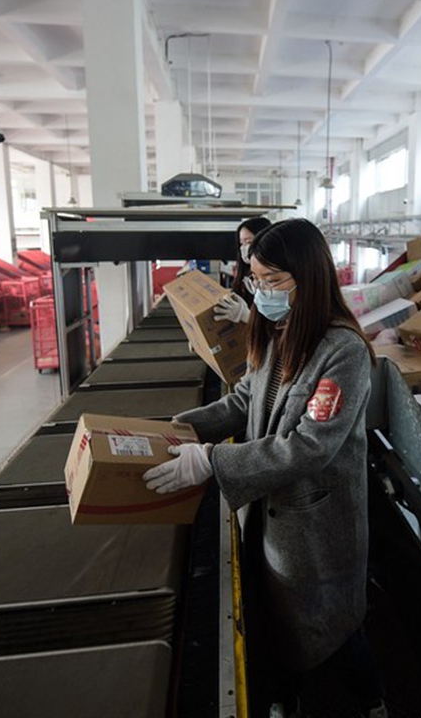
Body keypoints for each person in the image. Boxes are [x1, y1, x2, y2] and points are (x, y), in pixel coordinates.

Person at [144, 218, 386, 718]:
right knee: (280, 619)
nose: (261, 294)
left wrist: (212, 460)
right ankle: (287, 697)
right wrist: (182, 429)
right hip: (268, 512)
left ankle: (372, 702)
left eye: (273, 283)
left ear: (309, 278)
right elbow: (243, 400)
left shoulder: (343, 353)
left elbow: (309, 447)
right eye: (256, 281)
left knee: (332, 626)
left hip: (316, 525)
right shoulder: (279, 331)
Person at [214, 216, 271, 324]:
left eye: (248, 242)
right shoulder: (245, 277)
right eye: (241, 244)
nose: (244, 248)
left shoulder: (275, 278)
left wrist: (245, 315)